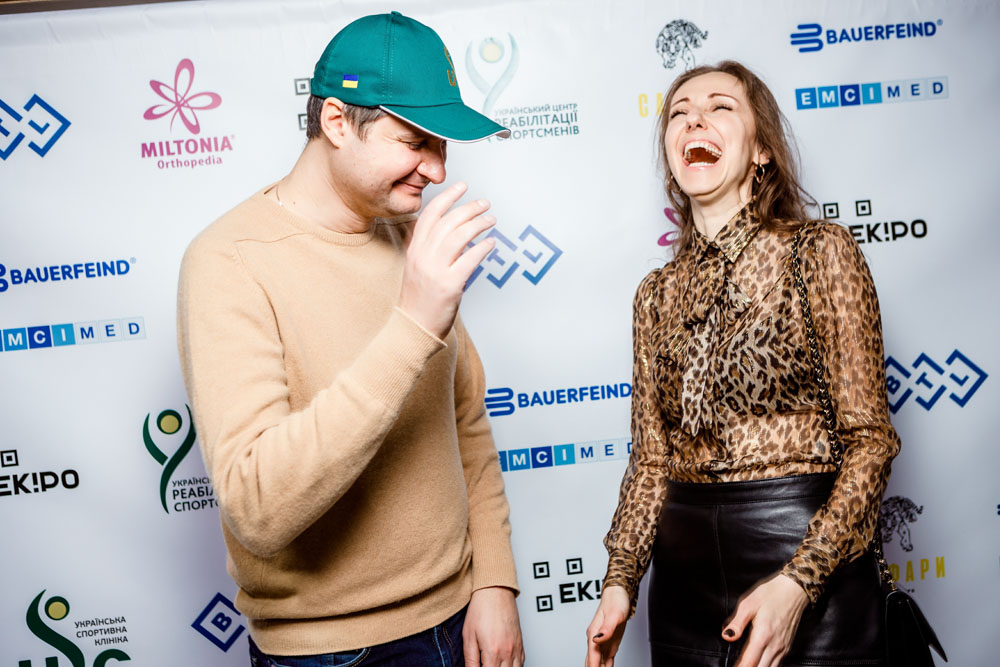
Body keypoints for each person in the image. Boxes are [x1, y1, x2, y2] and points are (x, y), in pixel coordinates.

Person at [177, 12, 524, 667]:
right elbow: (258, 506)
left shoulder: (406, 234)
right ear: (337, 121)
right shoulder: (227, 261)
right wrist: (412, 326)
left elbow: (464, 420)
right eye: (415, 141)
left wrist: (494, 581)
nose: (436, 170)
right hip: (331, 652)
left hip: (457, 618)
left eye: (442, 146)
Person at [585, 61, 900, 667]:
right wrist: (620, 582)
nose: (694, 120)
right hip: (683, 580)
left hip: (804, 560)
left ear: (761, 151)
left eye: (720, 107)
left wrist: (799, 582)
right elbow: (652, 460)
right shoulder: (655, 295)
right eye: (679, 113)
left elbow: (871, 442)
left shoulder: (819, 252)